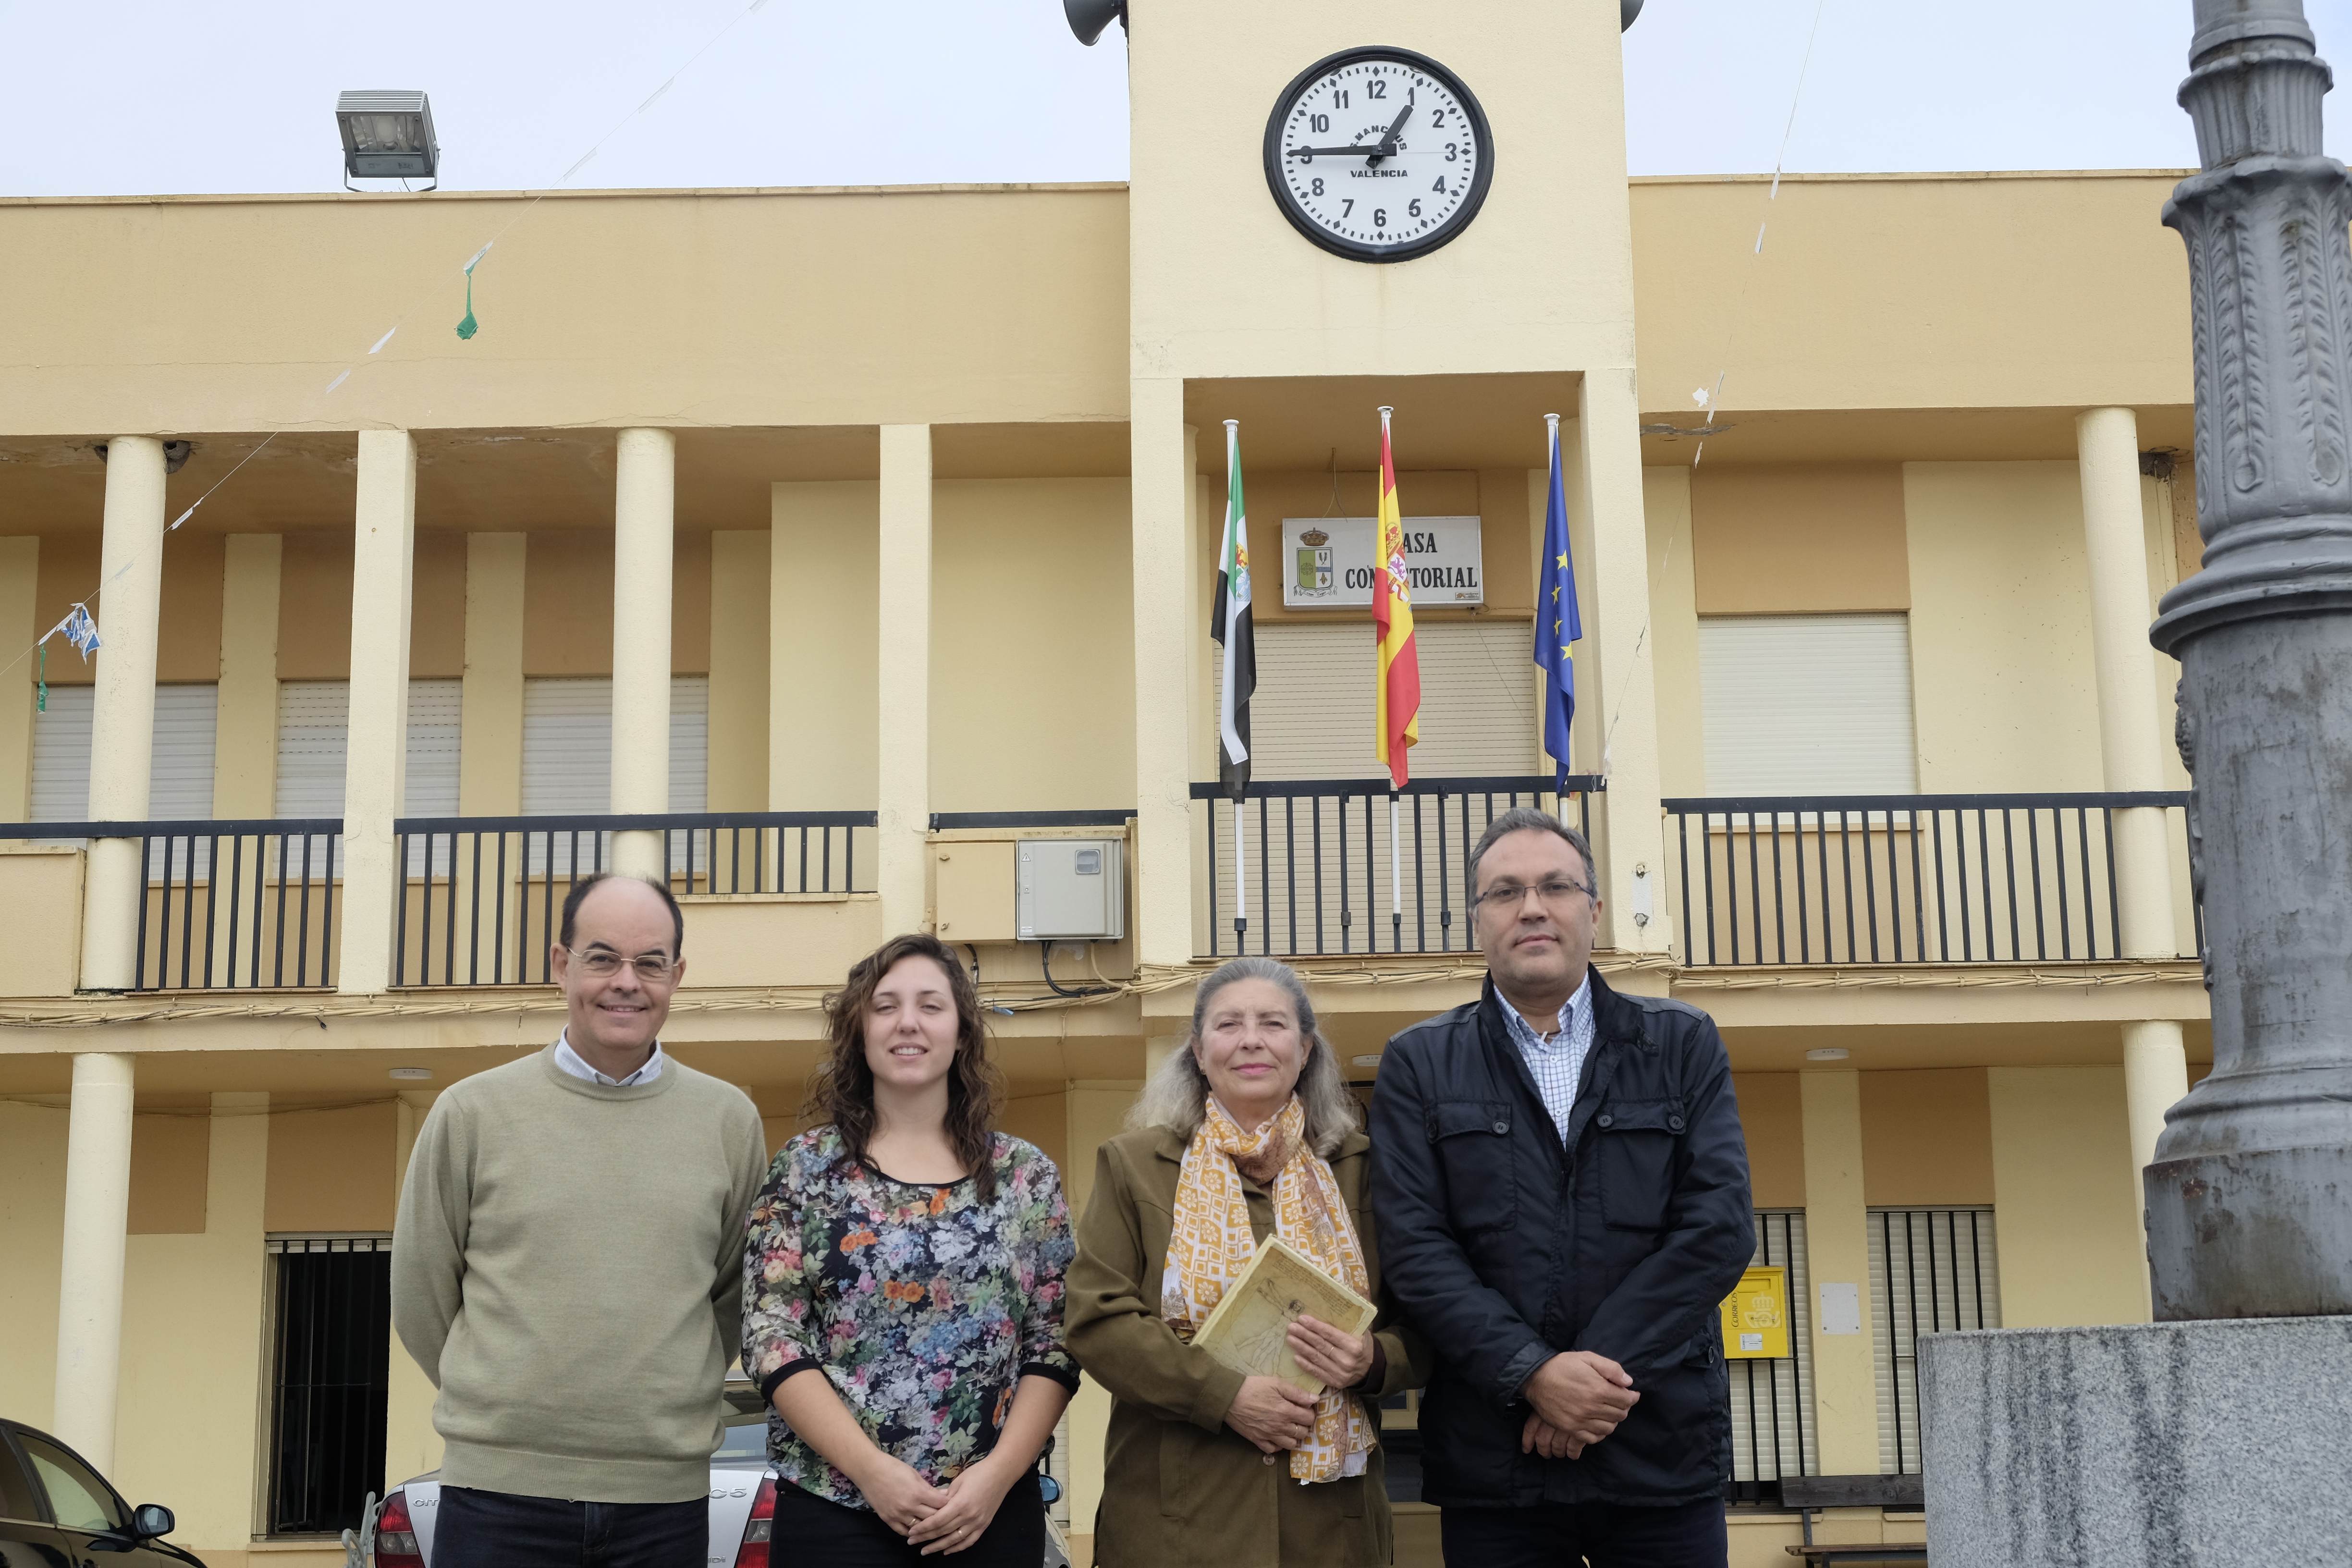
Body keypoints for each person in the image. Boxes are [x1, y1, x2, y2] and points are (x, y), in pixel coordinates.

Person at [1370, 808, 1754, 1568]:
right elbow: (1416, 1252)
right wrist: (1533, 1376)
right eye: (1506, 892)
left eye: (1555, 886)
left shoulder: (1681, 1043)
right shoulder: (1418, 1063)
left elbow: (1717, 1230)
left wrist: (1586, 1383)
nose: (1533, 908)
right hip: (1495, 1463)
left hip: (1660, 1455)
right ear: (1478, 920)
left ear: (1595, 909)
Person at [392, 871, 769, 1568]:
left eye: (650, 962)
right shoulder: (472, 1113)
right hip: (497, 1495)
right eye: (602, 958)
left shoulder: (729, 1121)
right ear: (562, 964)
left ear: (677, 975)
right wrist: (504, 1400)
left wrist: (669, 1390)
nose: (626, 981)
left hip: (665, 1502)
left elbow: (733, 1292)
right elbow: (422, 1290)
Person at [1065, 956, 1433, 1568]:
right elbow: (1097, 1320)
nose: (1252, 1040)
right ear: (1198, 1049)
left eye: (1273, 1023)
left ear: (1307, 1047)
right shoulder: (1133, 1165)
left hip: (1329, 1522)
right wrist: (1223, 1395)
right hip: (1178, 1514)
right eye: (1229, 1024)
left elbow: (1429, 1317)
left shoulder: (1365, 1169)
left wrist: (1375, 1360)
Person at [743, 933, 1077, 1565]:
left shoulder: (1025, 1177)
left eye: (931, 1005)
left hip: (988, 1514)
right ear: (859, 1031)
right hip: (835, 1510)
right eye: (885, 1005)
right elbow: (772, 1337)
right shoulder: (807, 1170)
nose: (908, 1023)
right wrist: (872, 1472)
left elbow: (1054, 1344)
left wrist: (1000, 1475)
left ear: (961, 1031)